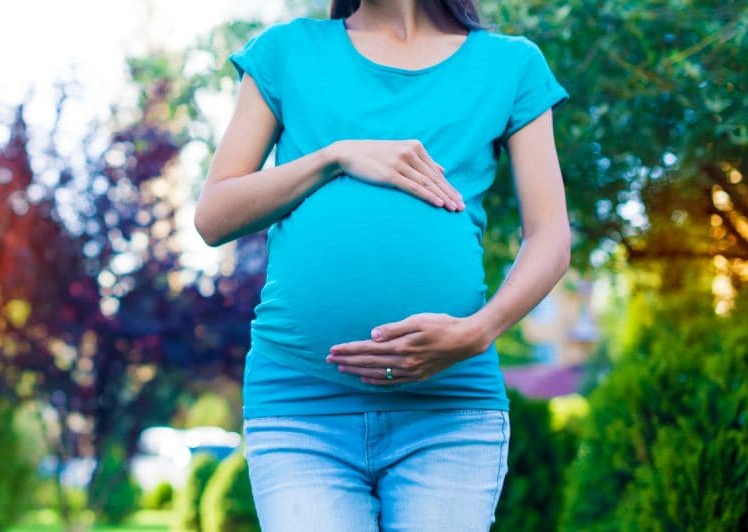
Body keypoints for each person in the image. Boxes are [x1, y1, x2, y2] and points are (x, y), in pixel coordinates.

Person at [192, 0, 572, 530]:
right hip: (302, 409)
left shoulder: (510, 65)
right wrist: (336, 156)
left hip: (450, 413)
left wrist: (481, 330)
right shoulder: (286, 53)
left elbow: (550, 236)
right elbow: (213, 217)